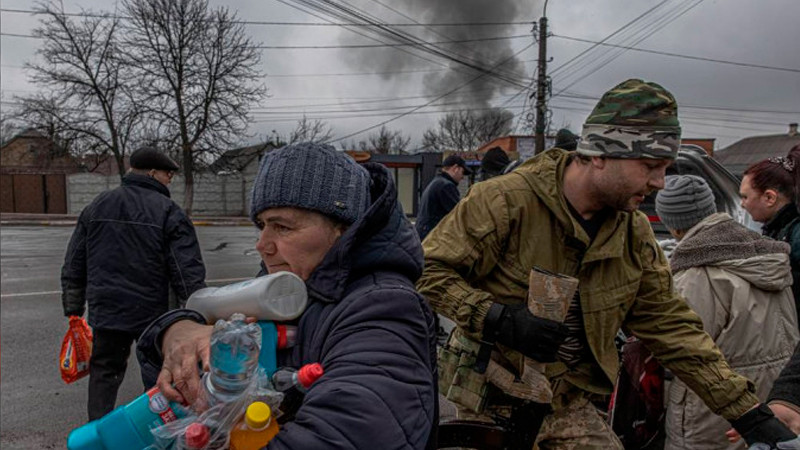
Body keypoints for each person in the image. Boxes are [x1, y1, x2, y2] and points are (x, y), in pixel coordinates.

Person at [417, 78, 797, 449]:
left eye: (665, 167)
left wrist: (747, 413)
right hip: (486, 408)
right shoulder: (504, 202)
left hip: (568, 406)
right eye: (650, 166)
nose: (661, 183)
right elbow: (427, 272)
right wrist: (494, 316)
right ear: (599, 154)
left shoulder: (632, 234)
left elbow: (672, 327)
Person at [136, 143, 438, 449]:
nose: (262, 244)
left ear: (343, 229)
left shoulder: (384, 308)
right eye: (262, 225)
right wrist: (176, 329)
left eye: (282, 226)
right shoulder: (292, 285)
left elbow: (350, 432)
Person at [61, 146, 206, 421]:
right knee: (155, 374)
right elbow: (185, 269)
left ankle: (98, 432)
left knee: (105, 370)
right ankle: (155, 428)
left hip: (107, 309)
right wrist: (197, 311)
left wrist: (73, 306)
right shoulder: (169, 212)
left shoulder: (97, 205)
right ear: (152, 173)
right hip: (152, 312)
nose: (170, 180)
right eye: (167, 174)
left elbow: (75, 261)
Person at [656, 174, 799, 449]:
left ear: (673, 227)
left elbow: (682, 348)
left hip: (714, 411)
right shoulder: (766, 255)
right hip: (774, 400)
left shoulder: (696, 275)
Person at [740, 145, 800, 329]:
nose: (741, 205)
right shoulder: (780, 228)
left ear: (769, 198)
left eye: (744, 197)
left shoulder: (795, 234)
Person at [415, 154, 472, 241]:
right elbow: (459, 214)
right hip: (433, 238)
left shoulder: (436, 182)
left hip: (424, 235)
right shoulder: (446, 186)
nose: (462, 177)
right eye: (462, 172)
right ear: (455, 168)